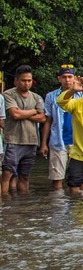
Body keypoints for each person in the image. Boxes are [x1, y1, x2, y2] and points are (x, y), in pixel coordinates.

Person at [1, 65, 47, 194]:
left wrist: (23, 114)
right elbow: (15, 114)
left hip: (31, 141)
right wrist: (33, 111)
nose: (27, 83)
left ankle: (24, 204)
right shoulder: (8, 94)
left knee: (24, 175)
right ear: (16, 81)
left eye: (29, 80)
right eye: (23, 80)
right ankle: (4, 203)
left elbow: (43, 118)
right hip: (13, 140)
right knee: (7, 173)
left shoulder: (36, 97)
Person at [40, 64, 83, 190]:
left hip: (78, 142)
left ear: (74, 78)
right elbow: (48, 120)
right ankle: (58, 207)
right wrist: (43, 143)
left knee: (80, 181)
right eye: (64, 77)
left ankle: (81, 207)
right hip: (58, 141)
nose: (67, 80)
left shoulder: (82, 95)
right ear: (59, 78)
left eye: (70, 77)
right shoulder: (51, 96)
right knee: (57, 179)